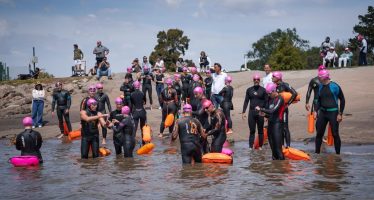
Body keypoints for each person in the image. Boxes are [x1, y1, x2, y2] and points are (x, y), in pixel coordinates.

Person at [315, 69, 345, 155]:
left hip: (333, 113)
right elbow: (319, 100)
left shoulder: (334, 86)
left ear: (324, 77)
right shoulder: (320, 86)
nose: (318, 78)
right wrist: (316, 111)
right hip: (323, 113)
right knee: (319, 134)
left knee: (335, 134)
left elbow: (342, 99)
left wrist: (340, 114)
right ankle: (317, 154)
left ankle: (338, 155)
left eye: (319, 77)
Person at [255, 83, 285, 160]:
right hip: (271, 125)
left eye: (269, 93)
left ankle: (283, 169)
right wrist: (263, 114)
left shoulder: (280, 99)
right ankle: (274, 170)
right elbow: (270, 115)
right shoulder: (270, 100)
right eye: (267, 93)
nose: (268, 95)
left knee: (278, 150)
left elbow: (273, 111)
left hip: (277, 125)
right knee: (273, 152)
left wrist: (261, 109)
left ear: (274, 91)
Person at [242, 74, 268, 150]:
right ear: (253, 80)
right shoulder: (249, 90)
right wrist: (243, 112)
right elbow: (246, 101)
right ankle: (250, 147)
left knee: (260, 131)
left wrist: (266, 114)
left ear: (259, 80)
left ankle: (260, 147)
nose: (256, 80)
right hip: (252, 112)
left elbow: (266, 102)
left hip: (261, 112)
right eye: (255, 79)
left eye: (257, 79)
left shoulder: (263, 90)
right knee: (252, 130)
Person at [272, 71, 297, 147]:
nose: (272, 78)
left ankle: (288, 146)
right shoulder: (274, 86)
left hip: (284, 109)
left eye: (273, 76)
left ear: (278, 77)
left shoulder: (285, 85)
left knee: (285, 127)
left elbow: (294, 93)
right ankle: (282, 145)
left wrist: (288, 104)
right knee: (279, 127)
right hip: (276, 110)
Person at [191, 87, 209, 153]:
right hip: (201, 124)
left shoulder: (205, 101)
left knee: (201, 142)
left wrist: (190, 112)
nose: (195, 96)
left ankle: (203, 157)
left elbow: (199, 113)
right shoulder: (200, 100)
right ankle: (206, 156)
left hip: (205, 125)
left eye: (196, 94)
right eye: (194, 94)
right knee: (203, 142)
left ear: (201, 93)